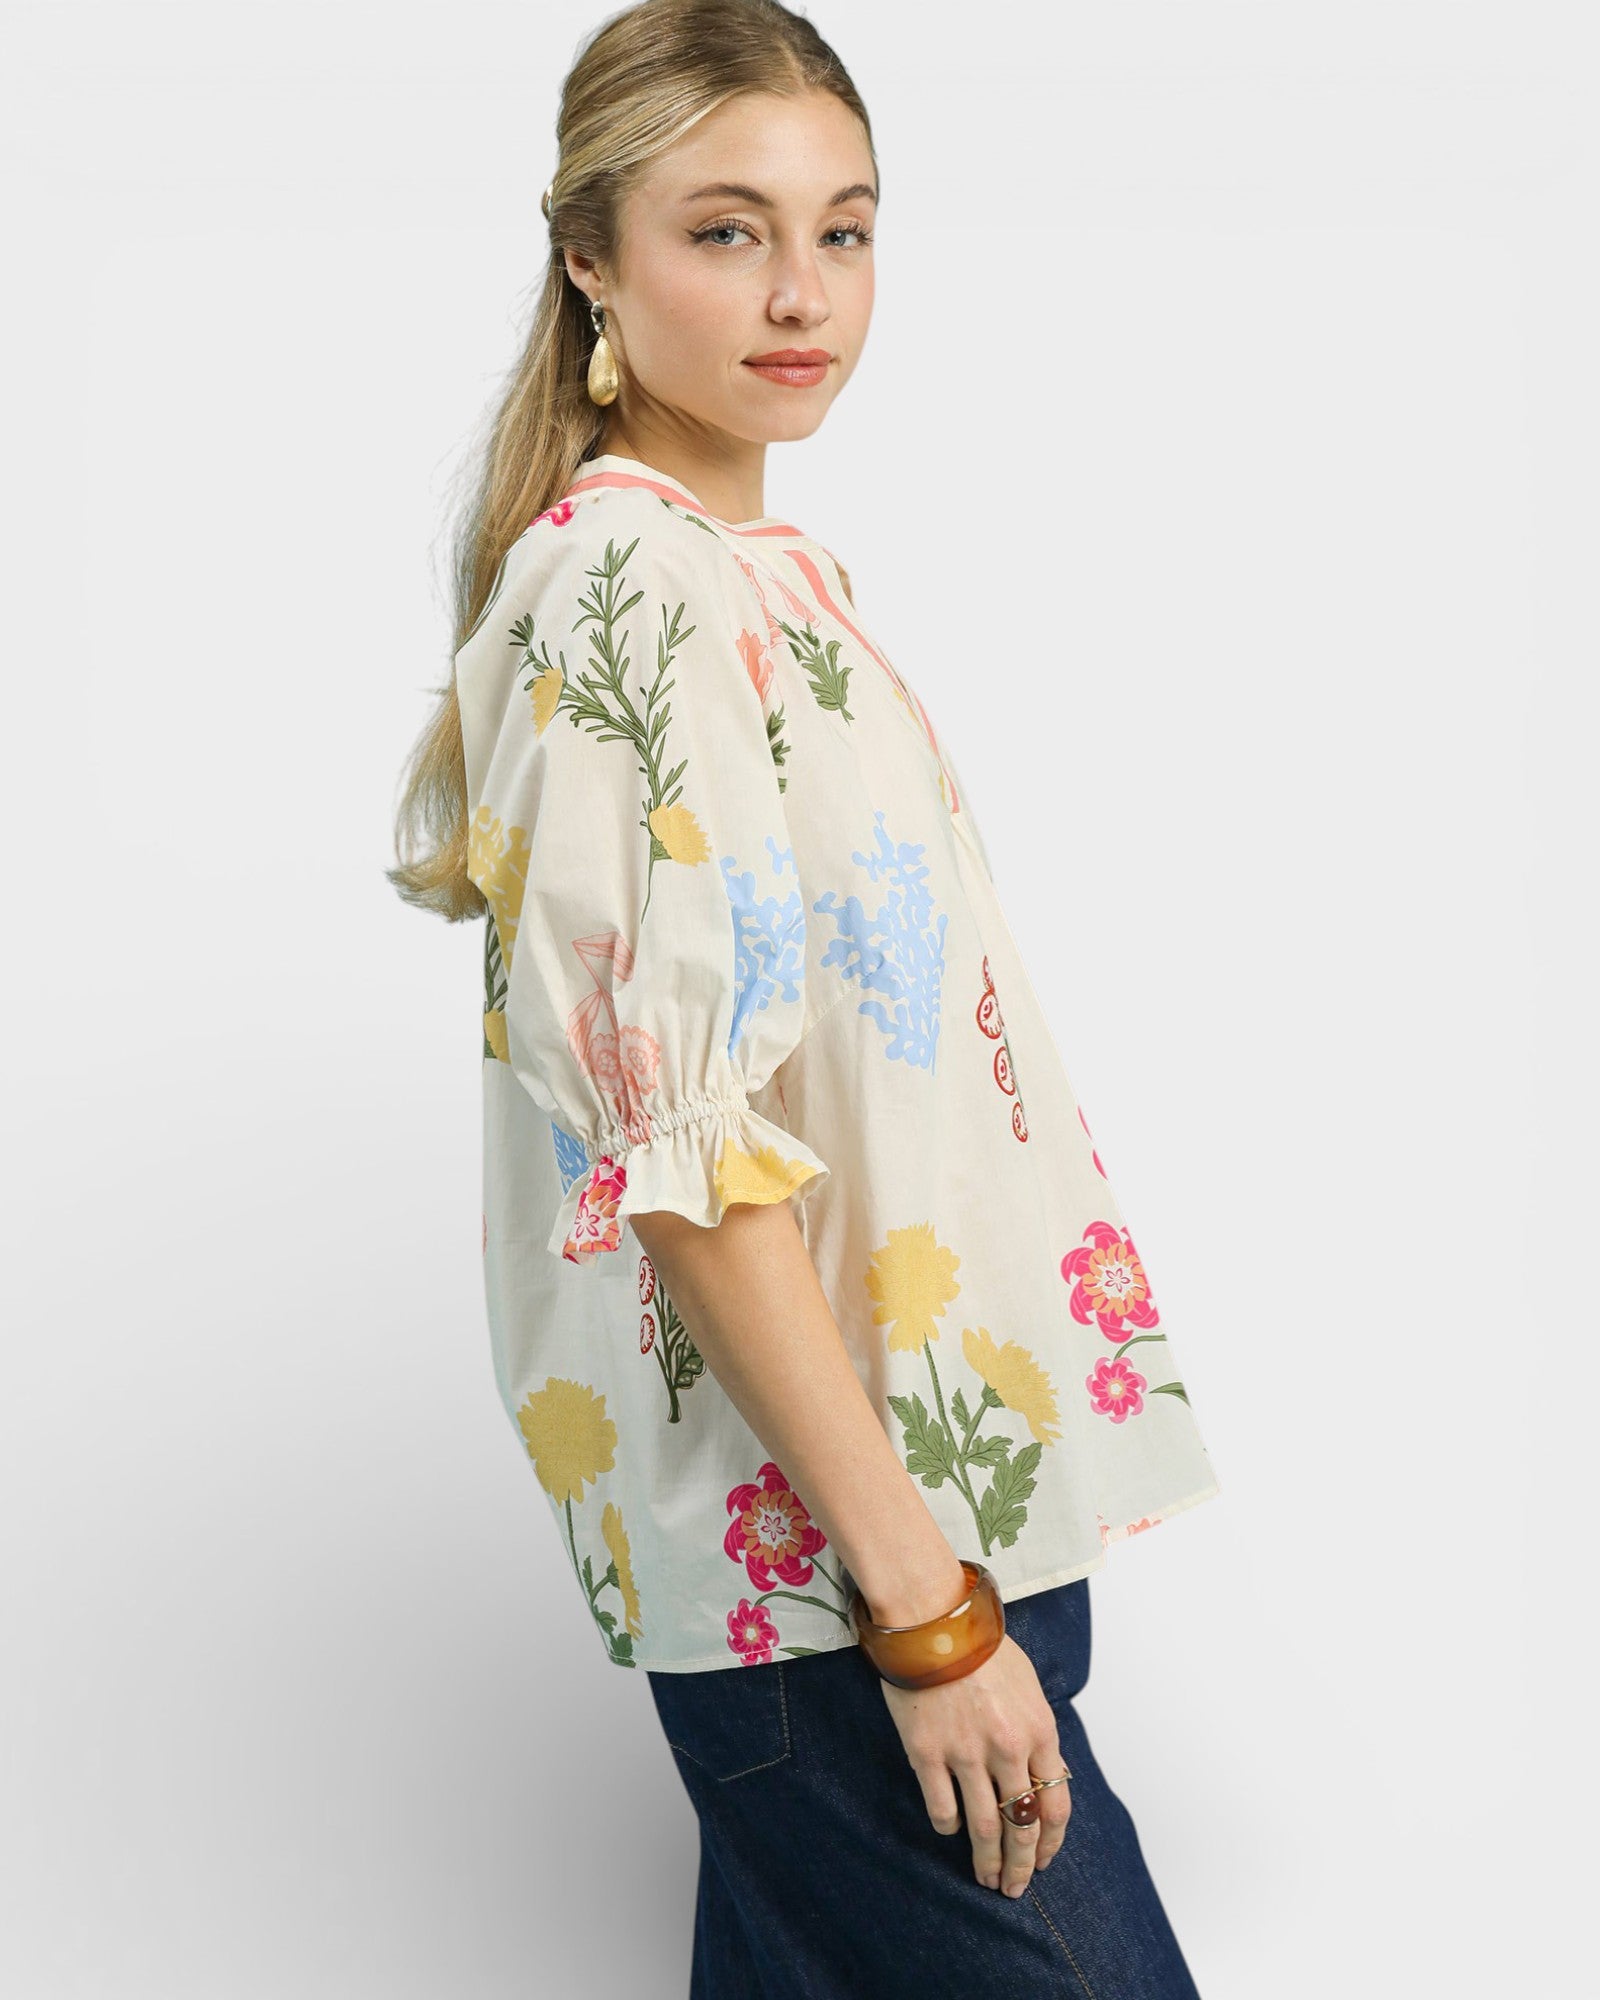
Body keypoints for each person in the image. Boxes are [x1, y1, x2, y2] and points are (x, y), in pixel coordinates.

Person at [389, 1, 1224, 1990]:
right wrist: (926, 1612)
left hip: (913, 1531)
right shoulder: (633, 588)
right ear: (588, 260)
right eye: (726, 230)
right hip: (849, 1583)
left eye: (843, 231)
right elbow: (685, 1168)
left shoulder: (752, 575)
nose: (802, 293)